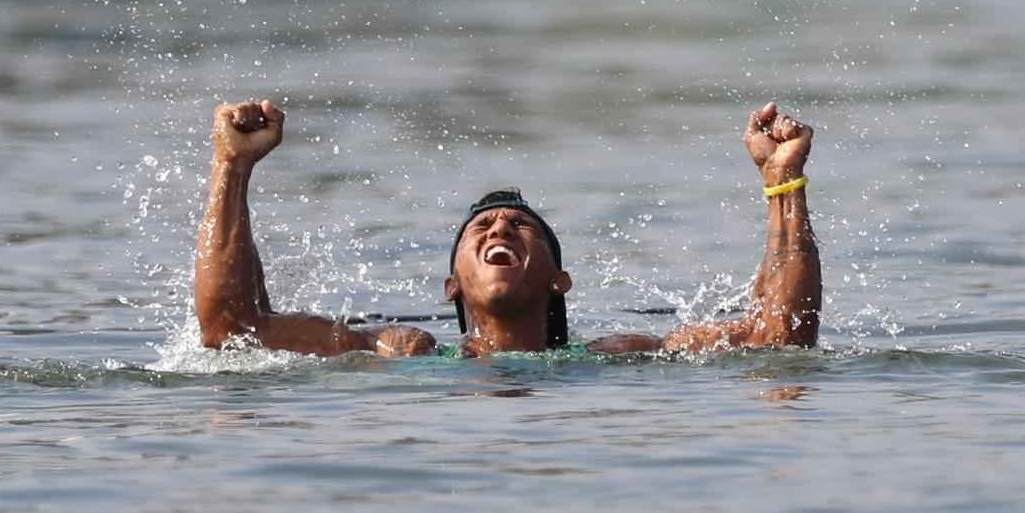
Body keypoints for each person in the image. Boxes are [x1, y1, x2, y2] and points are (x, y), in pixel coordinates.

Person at [195, 100, 821, 358]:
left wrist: (782, 185)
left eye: (521, 226)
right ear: (453, 287)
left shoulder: (613, 360)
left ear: (559, 281)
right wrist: (234, 165)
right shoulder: (400, 355)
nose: (501, 227)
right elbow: (232, 333)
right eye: (484, 227)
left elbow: (780, 337)